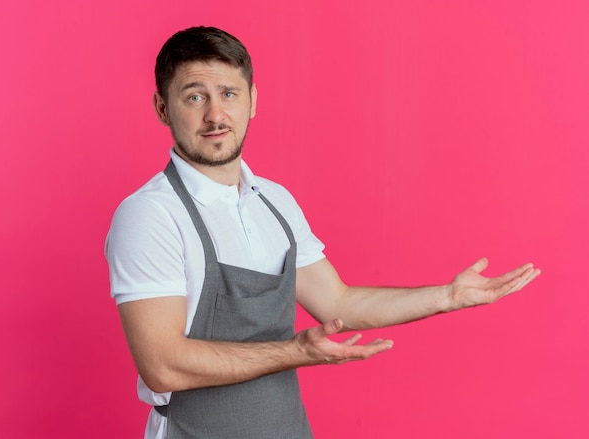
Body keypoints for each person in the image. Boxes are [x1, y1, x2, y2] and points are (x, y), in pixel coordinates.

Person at [105, 26, 541, 439]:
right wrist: (298, 352)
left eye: (229, 94)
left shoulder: (273, 202)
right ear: (163, 107)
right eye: (194, 96)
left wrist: (448, 296)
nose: (215, 114)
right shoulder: (151, 215)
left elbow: (339, 302)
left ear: (252, 101)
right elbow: (163, 366)